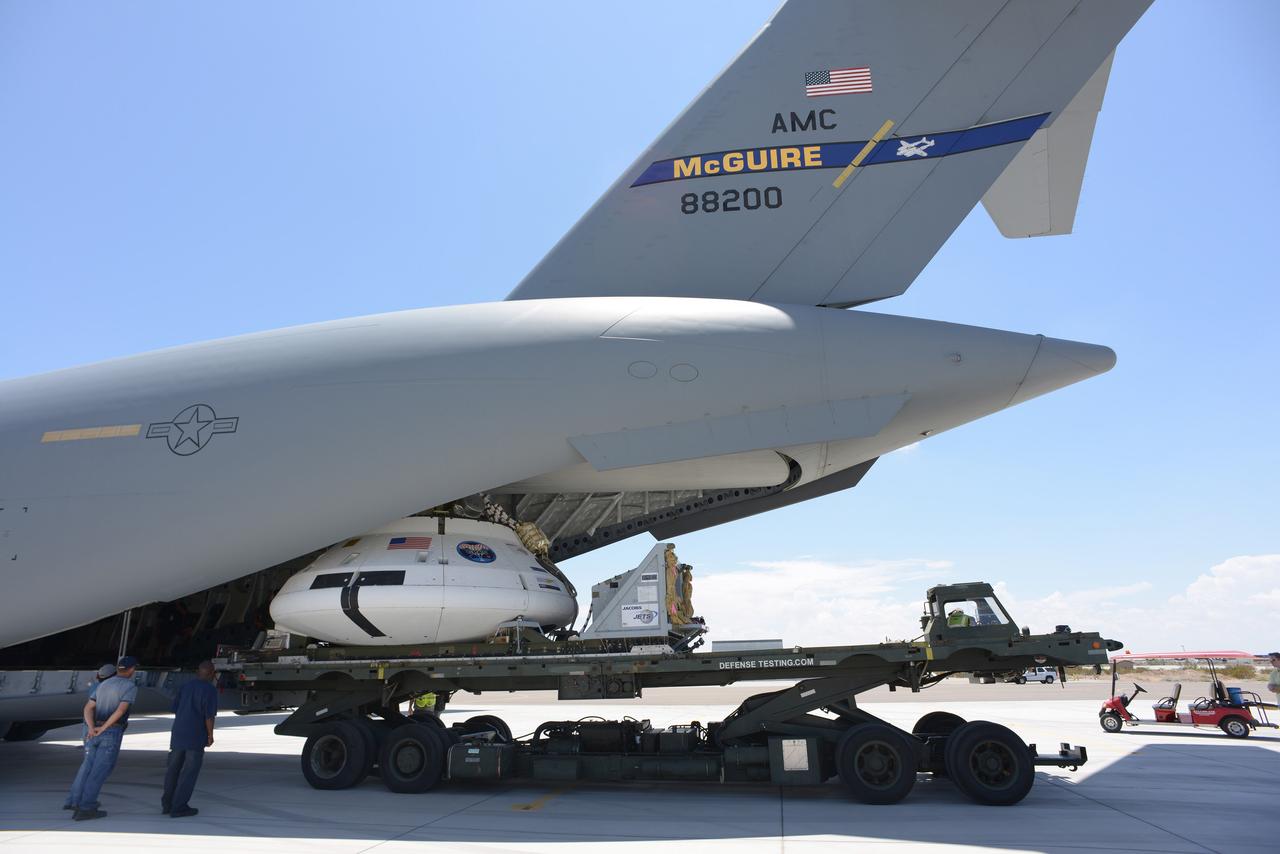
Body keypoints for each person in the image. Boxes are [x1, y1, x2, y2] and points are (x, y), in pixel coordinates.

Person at [64, 656, 139, 821]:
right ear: (132, 669)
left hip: (93, 732)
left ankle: (76, 802)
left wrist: (92, 728)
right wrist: (103, 728)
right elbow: (120, 711)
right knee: (99, 772)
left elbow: (88, 708)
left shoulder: (103, 685)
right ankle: (86, 807)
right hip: (110, 732)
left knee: (88, 768)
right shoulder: (129, 686)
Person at [162, 660, 219, 818]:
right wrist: (210, 735)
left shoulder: (185, 687)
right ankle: (179, 806)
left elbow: (175, 709)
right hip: (195, 736)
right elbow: (209, 716)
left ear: (197, 673)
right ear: (213, 674)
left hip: (178, 734)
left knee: (173, 770)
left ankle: (167, 804)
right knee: (189, 772)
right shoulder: (210, 690)